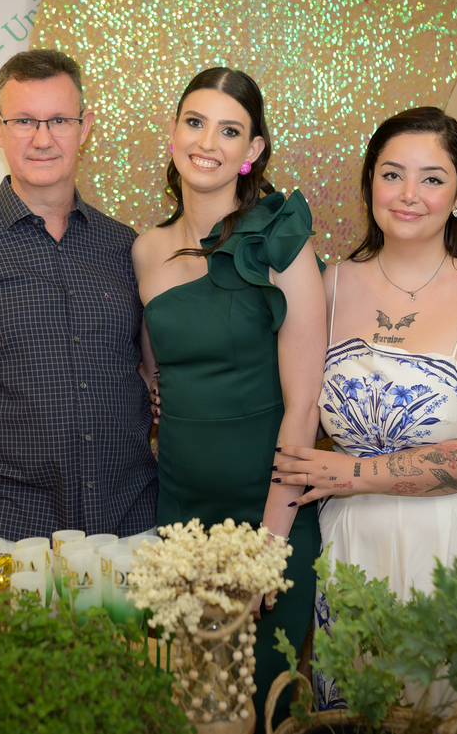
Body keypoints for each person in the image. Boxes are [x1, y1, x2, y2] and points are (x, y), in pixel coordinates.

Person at [273, 107, 457, 710]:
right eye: (392, 175)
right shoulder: (330, 285)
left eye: (432, 179)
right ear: (370, 185)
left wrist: (353, 473)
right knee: (361, 710)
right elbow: (295, 405)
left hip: (455, 544)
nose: (409, 194)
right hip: (351, 541)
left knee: (449, 711)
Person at [131, 67, 326, 731]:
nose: (207, 142)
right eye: (194, 122)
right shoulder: (146, 251)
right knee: (187, 707)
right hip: (181, 518)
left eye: (229, 130)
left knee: (263, 707)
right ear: (172, 133)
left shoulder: (281, 240)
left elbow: (304, 405)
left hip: (268, 514)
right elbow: (158, 371)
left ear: (253, 150)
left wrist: (267, 547)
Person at [0, 49, 157, 551]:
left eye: (60, 121)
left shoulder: (127, 247)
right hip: (10, 533)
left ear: (84, 127)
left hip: (133, 524)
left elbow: (149, 377)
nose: (43, 139)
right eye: (24, 121)